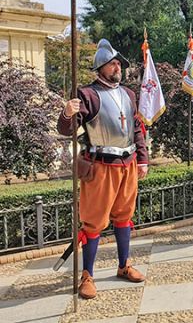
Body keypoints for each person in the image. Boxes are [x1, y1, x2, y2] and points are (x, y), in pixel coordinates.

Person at [57, 39, 147, 299]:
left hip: (127, 165)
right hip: (100, 166)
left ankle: (123, 265)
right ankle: (88, 275)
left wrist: (142, 159)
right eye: (112, 64)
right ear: (101, 67)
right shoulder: (87, 94)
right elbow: (67, 130)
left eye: (119, 63)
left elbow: (137, 129)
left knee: (124, 216)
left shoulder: (129, 94)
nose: (117, 67)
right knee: (94, 222)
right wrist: (67, 113)